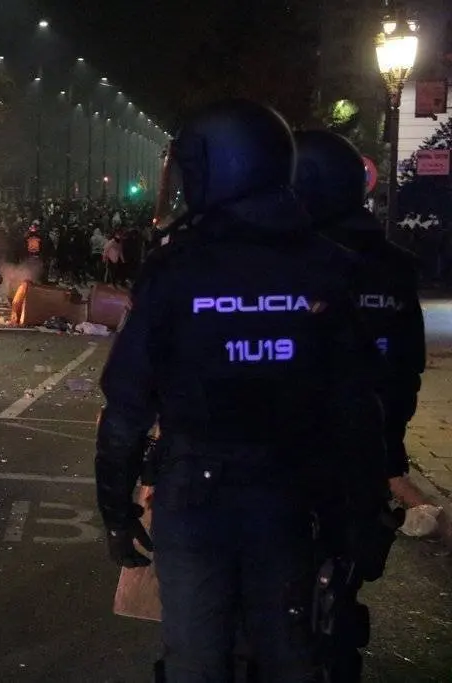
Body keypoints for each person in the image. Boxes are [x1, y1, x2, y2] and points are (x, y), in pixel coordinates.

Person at [94, 99, 392, 682]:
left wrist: (115, 511)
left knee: (196, 659)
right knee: (289, 654)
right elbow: (359, 409)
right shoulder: (330, 267)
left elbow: (127, 408)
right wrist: (358, 517)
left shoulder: (175, 269)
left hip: (196, 499)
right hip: (293, 496)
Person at [294, 131, 427, 505]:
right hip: (366, 446)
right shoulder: (393, 264)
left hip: (292, 451)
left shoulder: (281, 256)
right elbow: (407, 366)